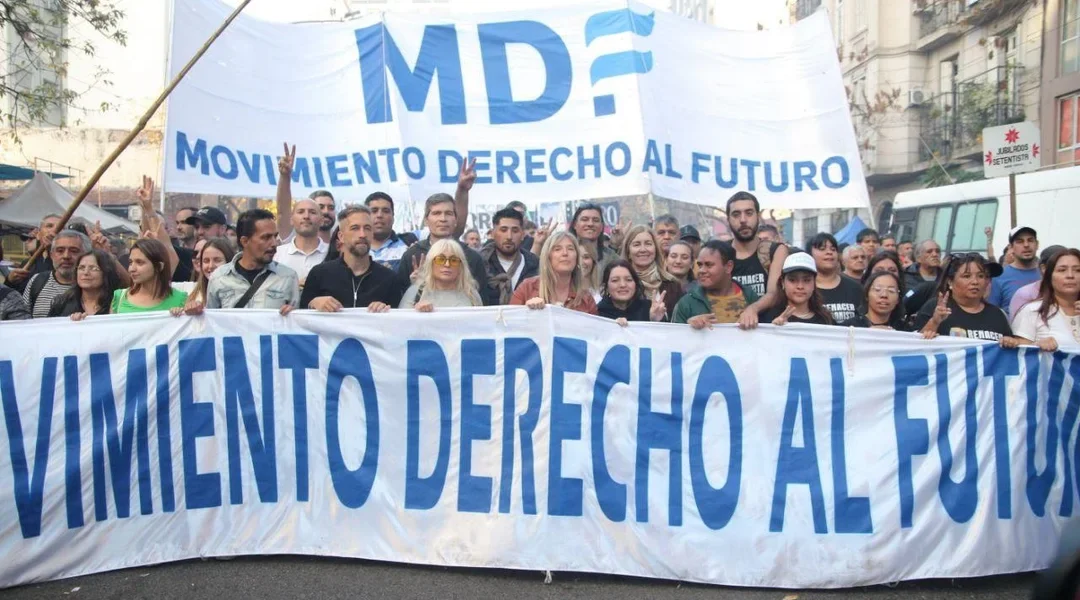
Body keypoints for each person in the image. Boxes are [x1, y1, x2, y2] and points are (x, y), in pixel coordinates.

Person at [301, 206, 405, 312]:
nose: (362, 235)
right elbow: (300, 315)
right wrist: (314, 303)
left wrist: (385, 310)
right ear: (341, 236)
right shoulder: (319, 274)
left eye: (367, 228)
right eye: (355, 228)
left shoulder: (389, 279)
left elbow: (398, 318)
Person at [203, 209, 300, 313]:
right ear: (245, 241)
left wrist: (293, 314)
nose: (274, 243)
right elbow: (211, 320)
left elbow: (296, 321)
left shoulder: (288, 277)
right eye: (266, 237)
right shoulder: (219, 278)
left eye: (275, 236)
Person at [398, 193, 489, 301]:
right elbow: (400, 300)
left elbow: (483, 301)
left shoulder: (472, 257)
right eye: (436, 213)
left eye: (448, 213)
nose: (443, 219)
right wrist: (414, 285)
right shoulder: (411, 255)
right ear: (426, 220)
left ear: (456, 219)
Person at [914, 254, 1019, 346]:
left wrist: (1010, 342)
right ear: (950, 281)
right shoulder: (934, 308)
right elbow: (915, 346)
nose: (975, 282)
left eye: (981, 276)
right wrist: (934, 322)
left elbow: (1009, 350)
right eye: (967, 276)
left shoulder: (998, 314)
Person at [725, 191, 789, 328]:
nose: (743, 220)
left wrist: (753, 309)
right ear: (728, 219)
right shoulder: (720, 252)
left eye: (749, 213)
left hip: (766, 332)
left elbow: (774, 293)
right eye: (736, 214)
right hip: (727, 332)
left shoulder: (775, 251)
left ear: (758, 216)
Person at [672, 240, 759, 328]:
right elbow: (674, 334)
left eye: (709, 265)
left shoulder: (751, 298)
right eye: (700, 265)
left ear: (728, 266)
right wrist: (689, 327)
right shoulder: (687, 303)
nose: (701, 270)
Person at [511, 231, 598, 315]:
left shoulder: (586, 299)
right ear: (548, 257)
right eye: (557, 249)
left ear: (577, 257)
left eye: (570, 249)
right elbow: (510, 320)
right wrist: (526, 311)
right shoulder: (527, 288)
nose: (565, 253)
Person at [1012, 248, 1080, 351]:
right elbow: (1020, 355)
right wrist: (1037, 346)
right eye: (1062, 270)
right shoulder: (1032, 311)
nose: (1070, 276)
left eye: (1078, 270)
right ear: (1049, 276)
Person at [620, 225, 683, 320]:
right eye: (637, 244)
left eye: (648, 244)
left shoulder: (672, 285)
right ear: (628, 252)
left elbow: (680, 320)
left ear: (655, 249)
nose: (643, 249)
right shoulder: (620, 285)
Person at [400, 239, 483, 310]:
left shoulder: (472, 294)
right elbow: (402, 321)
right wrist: (416, 312)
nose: (447, 264)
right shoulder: (415, 293)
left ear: (461, 266)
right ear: (430, 263)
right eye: (440, 259)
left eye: (454, 260)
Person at [22, 230, 89, 318]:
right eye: (60, 251)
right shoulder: (37, 281)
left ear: (85, 255)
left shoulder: (92, 287)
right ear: (51, 255)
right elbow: (23, 319)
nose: (66, 256)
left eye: (73, 251)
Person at [481, 207, 539, 305]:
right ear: (493, 233)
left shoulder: (535, 266)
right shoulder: (481, 265)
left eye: (515, 231)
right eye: (503, 230)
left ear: (523, 234)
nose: (509, 237)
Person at [112, 239, 188, 314]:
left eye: (139, 262)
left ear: (159, 266)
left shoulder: (180, 300)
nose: (131, 269)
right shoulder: (119, 298)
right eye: (130, 262)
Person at [760, 252, 834, 326]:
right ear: (783, 282)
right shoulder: (767, 317)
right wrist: (773, 328)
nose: (800, 286)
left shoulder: (825, 319)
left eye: (806, 280)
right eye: (792, 280)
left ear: (814, 283)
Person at [48, 249, 122, 319]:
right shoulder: (62, 303)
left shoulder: (118, 303)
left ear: (106, 272)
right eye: (81, 268)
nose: (86, 272)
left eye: (94, 268)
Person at [808, 233, 863, 323]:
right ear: (809, 255)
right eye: (822, 249)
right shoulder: (805, 290)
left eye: (833, 249)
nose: (829, 252)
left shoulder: (855, 288)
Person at [172, 238, 235, 314]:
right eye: (206, 261)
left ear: (229, 262)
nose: (211, 266)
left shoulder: (240, 290)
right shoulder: (189, 291)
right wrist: (178, 312)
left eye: (217, 260)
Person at [273, 198, 329, 284]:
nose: (306, 216)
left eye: (312, 212)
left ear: (321, 221)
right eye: (300, 212)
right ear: (291, 220)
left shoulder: (332, 253)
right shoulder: (277, 254)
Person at [597, 259, 667, 325]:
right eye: (615, 280)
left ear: (635, 284)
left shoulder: (649, 308)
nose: (623, 285)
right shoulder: (598, 313)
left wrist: (655, 320)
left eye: (628, 280)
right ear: (606, 286)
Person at [989, 226, 1041, 312]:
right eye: (1020, 242)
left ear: (1037, 244)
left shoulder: (1048, 274)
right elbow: (992, 312)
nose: (1026, 245)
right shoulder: (999, 277)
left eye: (1030, 240)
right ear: (1011, 247)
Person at [1009, 245, 1067, 319]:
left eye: (1077, 270)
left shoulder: (1075, 293)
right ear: (1043, 268)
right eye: (1062, 269)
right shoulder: (1025, 294)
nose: (1070, 274)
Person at [6, 213, 63, 290]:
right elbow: (12, 293)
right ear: (38, 235)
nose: (55, 230)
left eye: (61, 227)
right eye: (49, 226)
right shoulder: (27, 263)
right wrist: (10, 281)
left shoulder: (70, 261)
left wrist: (52, 250)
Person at [365, 191, 418, 271]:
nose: (379, 215)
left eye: (386, 211)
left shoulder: (410, 243)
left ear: (393, 217)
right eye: (374, 211)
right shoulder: (355, 248)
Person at [840, 272, 908, 330]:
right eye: (877, 290)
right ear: (867, 295)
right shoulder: (848, 327)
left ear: (898, 299)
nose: (884, 295)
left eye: (891, 291)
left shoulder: (905, 329)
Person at [567, 204, 614, 275]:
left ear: (602, 226)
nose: (590, 224)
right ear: (574, 224)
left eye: (595, 220)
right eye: (585, 219)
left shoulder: (611, 257)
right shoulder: (564, 254)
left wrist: (615, 245)